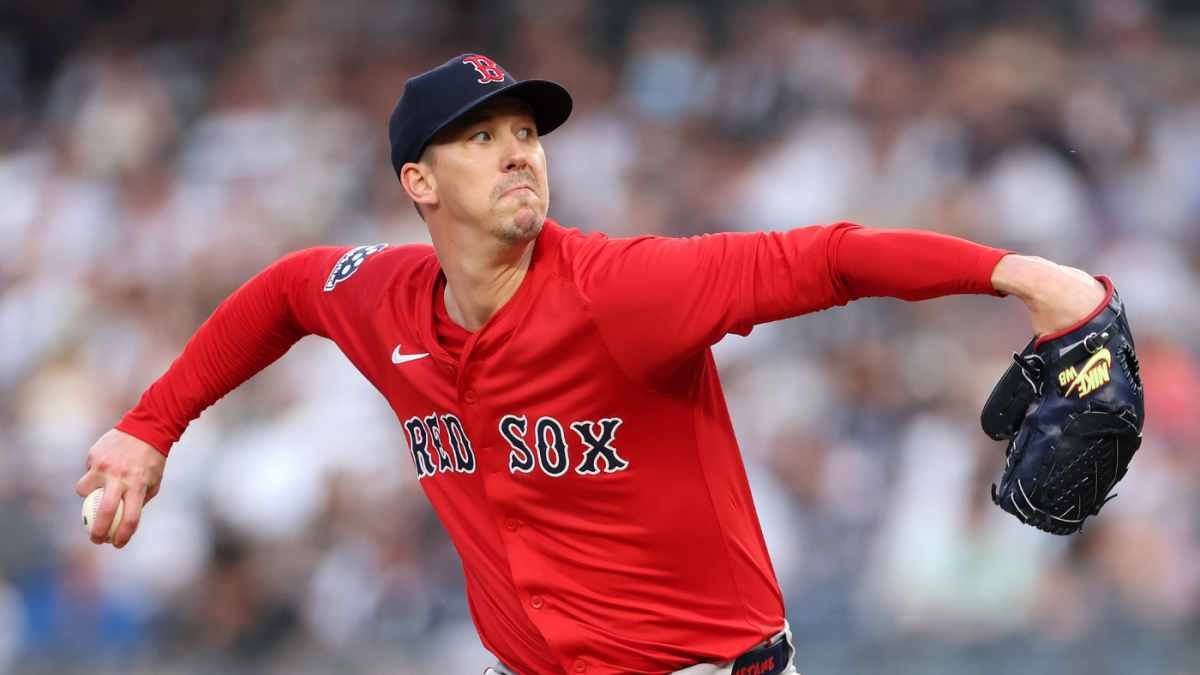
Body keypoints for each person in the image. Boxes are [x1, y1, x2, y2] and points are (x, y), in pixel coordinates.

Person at [76, 54, 1106, 675]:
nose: (520, 150)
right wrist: (150, 425)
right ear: (418, 182)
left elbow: (826, 258)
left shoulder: (623, 291)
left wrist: (1028, 278)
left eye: (527, 130)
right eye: (481, 138)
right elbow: (288, 289)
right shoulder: (381, 298)